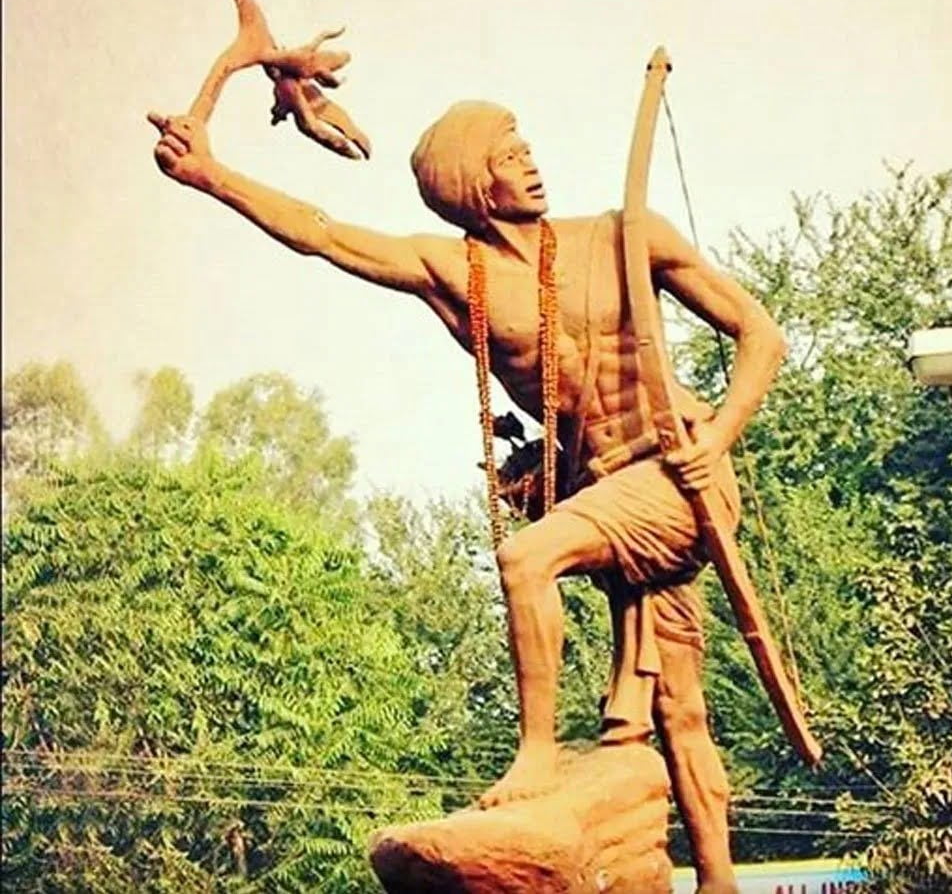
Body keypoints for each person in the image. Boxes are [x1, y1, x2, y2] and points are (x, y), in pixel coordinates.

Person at [151, 99, 786, 894]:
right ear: (470, 185)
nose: (531, 164)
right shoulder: (457, 274)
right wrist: (210, 175)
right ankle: (719, 878)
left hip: (678, 477)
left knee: (527, 559)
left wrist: (716, 439)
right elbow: (323, 233)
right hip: (605, 487)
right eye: (508, 156)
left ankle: (536, 752)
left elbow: (761, 334)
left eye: (527, 148)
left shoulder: (625, 236)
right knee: (677, 711)